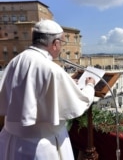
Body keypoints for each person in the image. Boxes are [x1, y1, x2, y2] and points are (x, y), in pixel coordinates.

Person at [0, 19, 95, 160]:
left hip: (10, 141)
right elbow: (80, 102)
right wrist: (90, 86)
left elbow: (28, 88)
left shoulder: (16, 60)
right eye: (62, 43)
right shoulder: (51, 69)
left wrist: (67, 82)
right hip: (40, 147)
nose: (61, 47)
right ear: (55, 43)